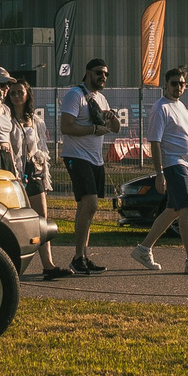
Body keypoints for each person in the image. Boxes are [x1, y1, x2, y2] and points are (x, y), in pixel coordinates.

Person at [134, 67, 188, 274]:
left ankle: (143, 249)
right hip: (173, 165)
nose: (178, 87)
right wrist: (159, 173)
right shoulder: (161, 108)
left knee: (172, 211)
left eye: (182, 83)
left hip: (185, 164)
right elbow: (155, 143)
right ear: (165, 85)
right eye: (174, 83)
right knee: (187, 209)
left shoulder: (180, 106)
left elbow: (186, 140)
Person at [56, 58, 121, 274]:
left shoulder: (101, 98)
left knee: (87, 208)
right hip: (77, 155)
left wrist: (111, 117)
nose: (102, 77)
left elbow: (115, 129)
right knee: (90, 203)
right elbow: (66, 126)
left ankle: (81, 256)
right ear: (87, 73)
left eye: (105, 74)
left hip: (95, 158)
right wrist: (93, 130)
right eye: (98, 73)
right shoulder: (75, 95)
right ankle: (78, 256)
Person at [6, 75, 67, 279]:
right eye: (12, 93)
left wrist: (41, 169)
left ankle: (48, 265)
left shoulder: (35, 120)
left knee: (41, 220)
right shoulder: (6, 118)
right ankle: (11, 266)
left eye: (20, 92)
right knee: (15, 221)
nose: (16, 96)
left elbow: (41, 149)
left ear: (27, 94)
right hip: (14, 174)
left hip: (34, 174)